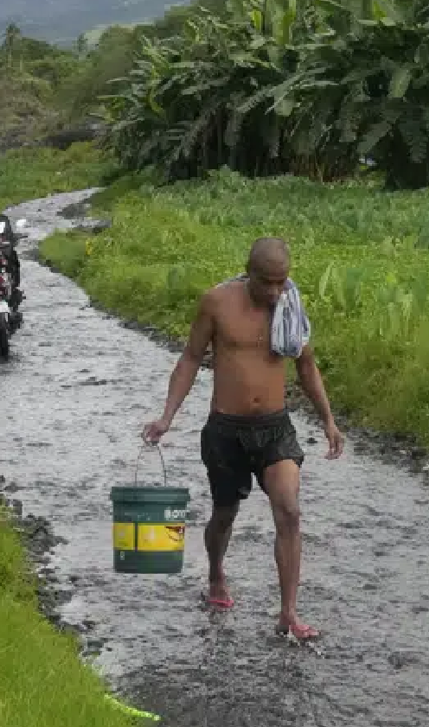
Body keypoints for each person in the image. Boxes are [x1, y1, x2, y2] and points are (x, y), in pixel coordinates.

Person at [142, 237, 344, 641]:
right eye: (266, 282)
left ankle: (288, 614)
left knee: (288, 510)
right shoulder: (217, 303)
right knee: (225, 513)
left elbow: (306, 367)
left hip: (275, 428)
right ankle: (216, 573)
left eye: (281, 282)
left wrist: (328, 420)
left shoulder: (290, 304)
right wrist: (167, 416)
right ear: (248, 273)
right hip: (225, 431)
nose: (274, 291)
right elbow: (191, 358)